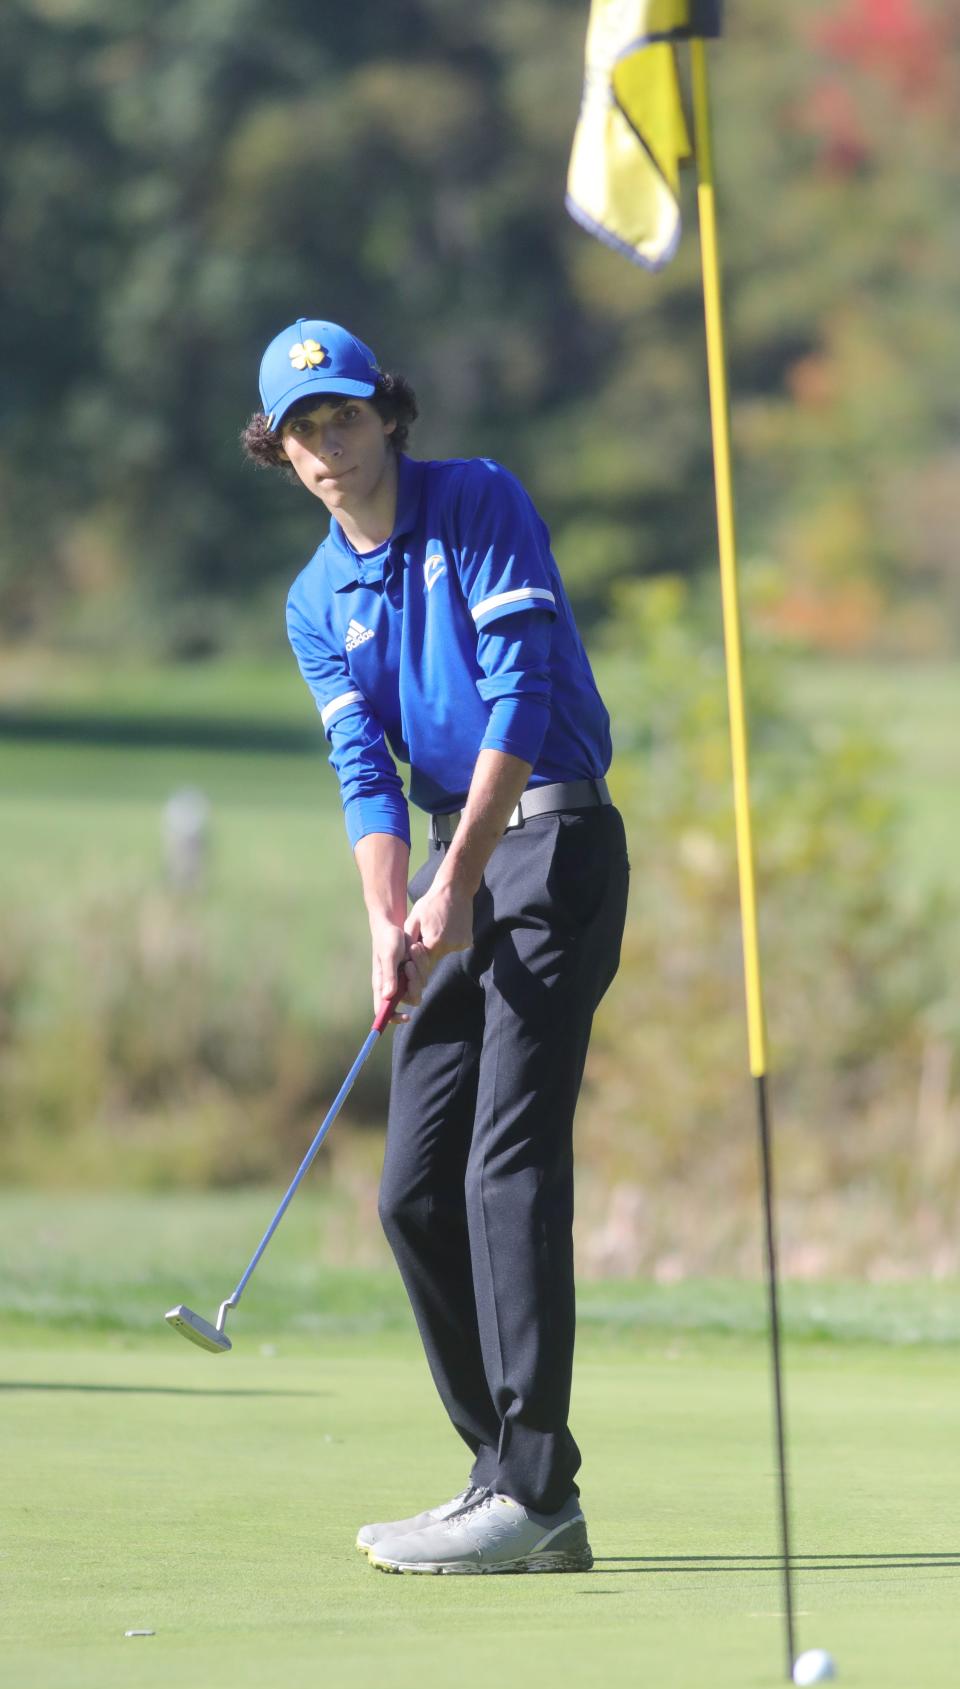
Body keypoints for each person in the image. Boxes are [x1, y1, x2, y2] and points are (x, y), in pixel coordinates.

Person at [243, 318, 629, 1575]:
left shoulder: (478, 503)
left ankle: (529, 1484)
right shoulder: (315, 599)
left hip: (550, 843)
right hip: (454, 867)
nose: (329, 446)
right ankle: (510, 1478)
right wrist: (386, 917)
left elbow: (520, 690)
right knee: (413, 1188)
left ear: (388, 415)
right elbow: (366, 770)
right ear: (280, 452)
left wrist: (456, 878)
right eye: (303, 431)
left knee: (504, 1164)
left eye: (344, 416)